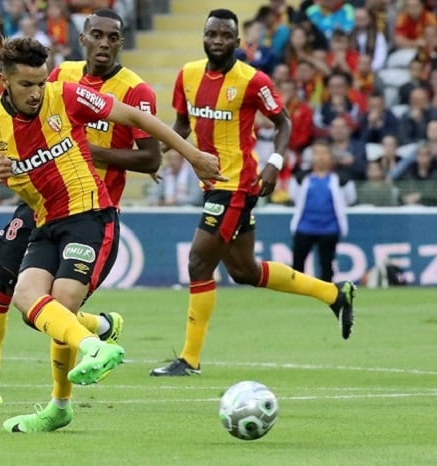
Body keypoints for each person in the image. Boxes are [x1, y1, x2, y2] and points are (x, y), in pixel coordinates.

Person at [0, 37, 222, 431]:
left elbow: (137, 119)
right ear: (4, 79)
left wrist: (193, 157)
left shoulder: (67, 96)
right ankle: (93, 344)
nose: (37, 93)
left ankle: (63, 396)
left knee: (62, 301)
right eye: (26, 85)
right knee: (27, 301)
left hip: (90, 216)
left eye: (40, 82)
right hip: (44, 223)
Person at [0, 9, 161, 410]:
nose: (103, 43)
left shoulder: (133, 90)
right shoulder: (61, 75)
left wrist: (87, 148)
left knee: (55, 306)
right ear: (82, 38)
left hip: (88, 205)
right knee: (0, 286)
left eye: (111, 37)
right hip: (38, 203)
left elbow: (150, 158)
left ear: (120, 41)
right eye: (95, 34)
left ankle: (65, 390)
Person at [149, 9, 357, 378]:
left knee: (199, 263)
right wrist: (155, 155)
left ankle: (190, 359)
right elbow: (182, 125)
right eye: (211, 34)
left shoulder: (252, 80)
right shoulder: (188, 75)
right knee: (245, 271)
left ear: (237, 42)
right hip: (212, 184)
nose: (217, 41)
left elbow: (283, 121)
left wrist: (274, 162)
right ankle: (333, 294)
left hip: (237, 186)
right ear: (203, 36)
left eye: (225, 36)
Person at [289, 138, 356, 282]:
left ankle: (326, 293)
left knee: (326, 264)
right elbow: (293, 196)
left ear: (331, 156)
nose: (320, 157)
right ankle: (296, 292)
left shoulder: (341, 179)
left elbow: (350, 198)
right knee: (298, 264)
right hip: (304, 227)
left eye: (324, 153)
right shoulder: (302, 178)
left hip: (329, 229)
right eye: (317, 153)